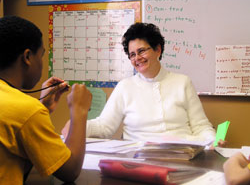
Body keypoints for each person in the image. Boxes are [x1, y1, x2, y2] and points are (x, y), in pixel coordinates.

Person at [62, 22, 224, 145]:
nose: (136, 58)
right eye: (132, 54)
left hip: (183, 154)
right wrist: (77, 124)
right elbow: (105, 127)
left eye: (141, 51)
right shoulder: (125, 87)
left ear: (158, 50)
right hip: (139, 159)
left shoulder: (183, 82)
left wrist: (213, 141)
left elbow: (201, 126)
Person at [0, 16, 92, 184]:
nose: (42, 64)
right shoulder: (25, 110)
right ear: (27, 57)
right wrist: (79, 110)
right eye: (41, 55)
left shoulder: (20, 109)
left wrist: (43, 108)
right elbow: (70, 171)